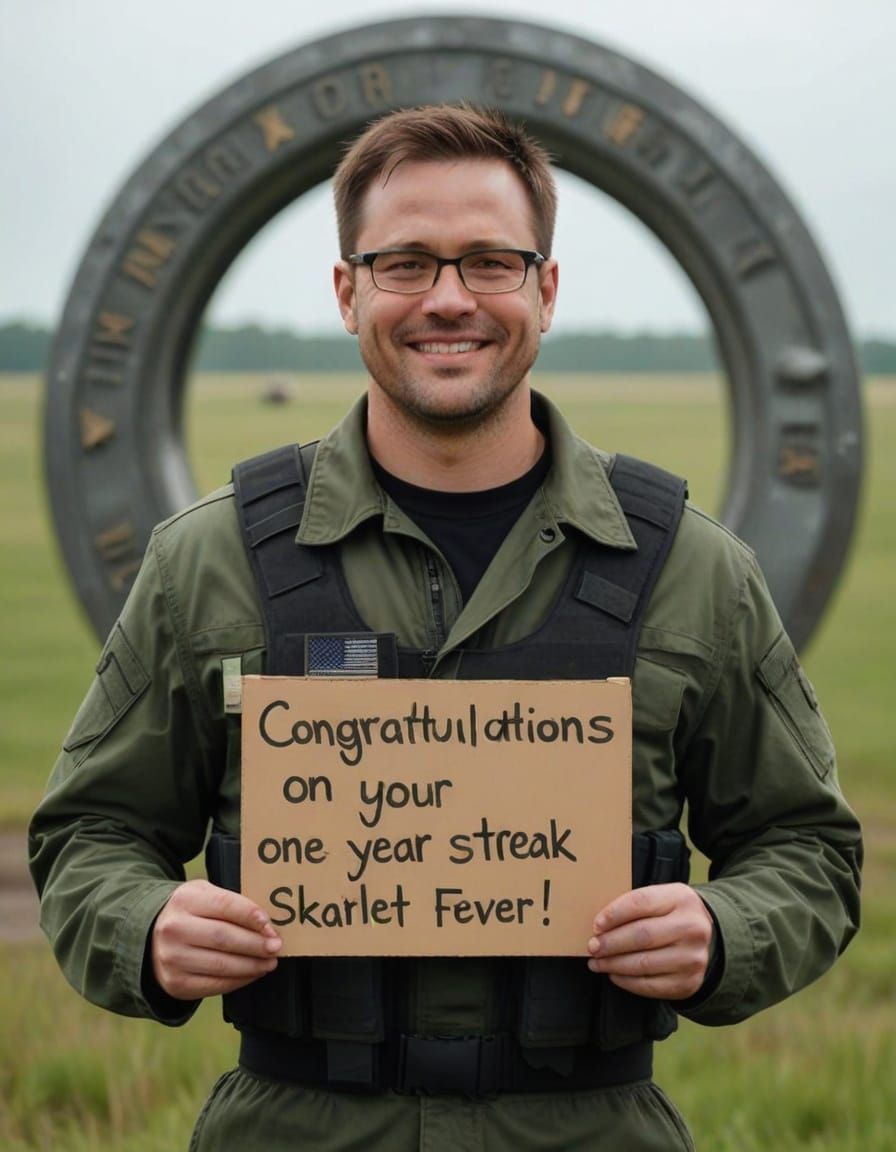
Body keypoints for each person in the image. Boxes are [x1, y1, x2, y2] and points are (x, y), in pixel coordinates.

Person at [30, 104, 861, 1151]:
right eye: (406, 263)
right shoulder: (208, 561)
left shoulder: (692, 571)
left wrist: (724, 932)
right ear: (349, 292)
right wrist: (146, 927)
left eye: (490, 262)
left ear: (544, 290)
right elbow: (88, 836)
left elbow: (807, 850)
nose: (449, 298)